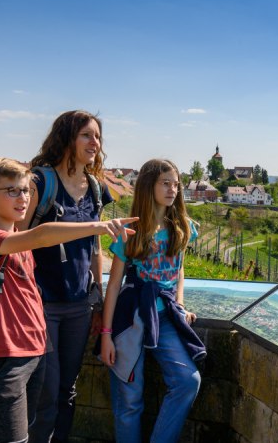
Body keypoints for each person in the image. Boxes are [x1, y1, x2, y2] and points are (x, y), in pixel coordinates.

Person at [0, 158, 136, 443]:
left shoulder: (18, 238)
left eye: (25, 191)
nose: (22, 198)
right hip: (2, 359)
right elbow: (44, 234)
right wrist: (99, 226)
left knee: (33, 430)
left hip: (33, 353)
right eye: (12, 191)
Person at [20, 110, 115, 443]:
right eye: (86, 135)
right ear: (67, 137)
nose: (95, 143)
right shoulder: (39, 183)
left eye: (98, 136)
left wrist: (98, 300)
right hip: (40, 304)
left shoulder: (94, 188)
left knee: (67, 390)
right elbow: (17, 241)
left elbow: (95, 248)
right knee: (46, 390)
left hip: (78, 305)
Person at [100, 159, 205, 443]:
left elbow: (179, 270)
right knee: (129, 400)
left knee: (187, 381)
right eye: (165, 183)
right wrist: (106, 335)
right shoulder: (130, 232)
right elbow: (113, 286)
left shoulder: (182, 226)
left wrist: (180, 304)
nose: (173, 189)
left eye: (176, 184)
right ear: (149, 186)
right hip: (131, 319)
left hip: (165, 318)